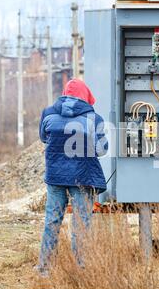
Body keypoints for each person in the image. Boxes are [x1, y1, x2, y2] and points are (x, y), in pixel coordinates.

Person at [35, 79, 108, 277]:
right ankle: (81, 268)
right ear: (85, 96)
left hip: (55, 175)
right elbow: (101, 150)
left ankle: (44, 267)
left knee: (52, 220)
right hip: (82, 176)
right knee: (81, 223)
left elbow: (44, 138)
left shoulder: (48, 113)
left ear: (65, 94)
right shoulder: (95, 118)